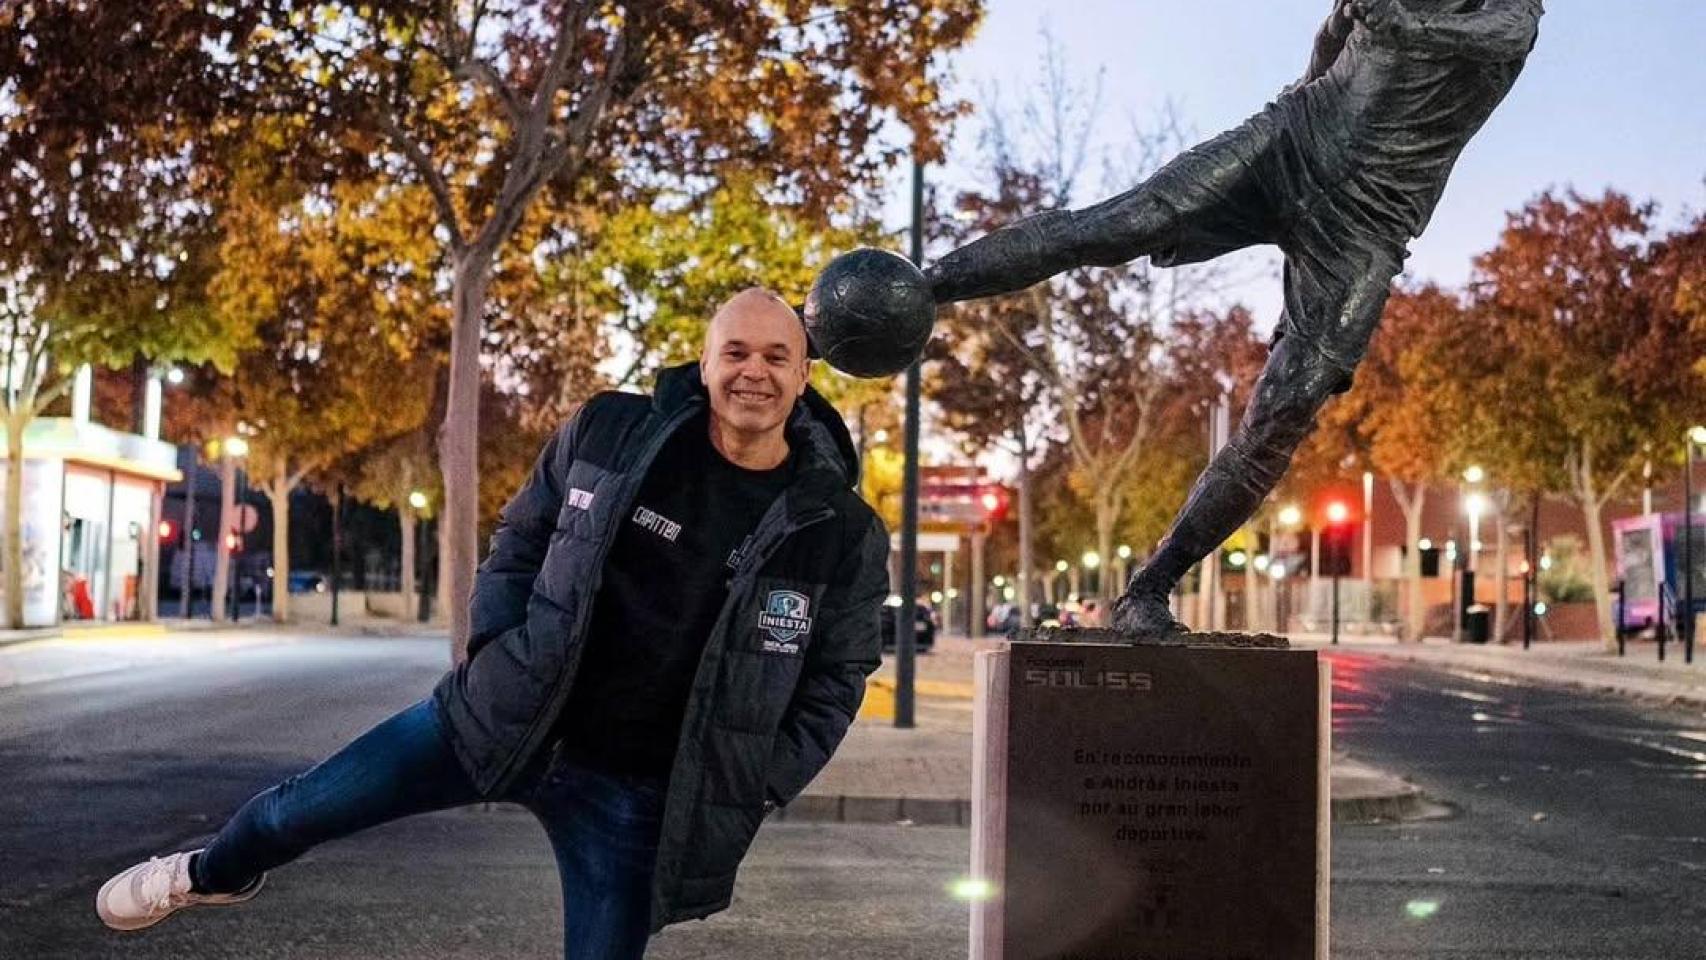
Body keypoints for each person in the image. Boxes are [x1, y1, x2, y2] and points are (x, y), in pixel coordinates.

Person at [95, 288, 891, 959]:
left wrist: (757, 778)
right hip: (501, 714)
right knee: (292, 811)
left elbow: (837, 678)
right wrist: (495, 649)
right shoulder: (613, 431)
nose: (754, 372)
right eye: (737, 353)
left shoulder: (838, 528)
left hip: (637, 790)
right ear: (708, 361)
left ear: (804, 374)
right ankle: (209, 874)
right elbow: (521, 537)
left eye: (776, 357)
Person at [925, 0, 1542, 634]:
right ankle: (924, 289)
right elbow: (1334, 31)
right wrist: (1305, 91)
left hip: (1367, 224)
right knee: (1120, 224)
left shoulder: (1512, 17)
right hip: (1290, 140)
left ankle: (1149, 590)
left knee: (1284, 410)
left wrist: (1394, 21)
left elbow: (1463, 34)